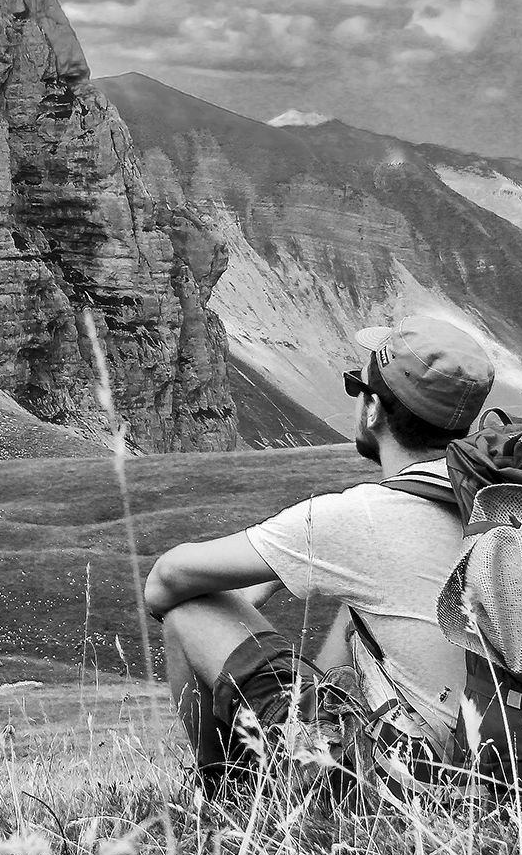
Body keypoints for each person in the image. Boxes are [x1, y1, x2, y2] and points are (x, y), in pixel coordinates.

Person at [142, 314, 495, 798]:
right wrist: (289, 567)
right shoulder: (502, 500)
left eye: (357, 387)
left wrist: (235, 603)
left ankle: (224, 794)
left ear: (372, 409)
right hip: (507, 771)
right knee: (359, 611)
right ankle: (293, 760)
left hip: (412, 782)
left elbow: (165, 580)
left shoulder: (361, 517)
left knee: (190, 611)